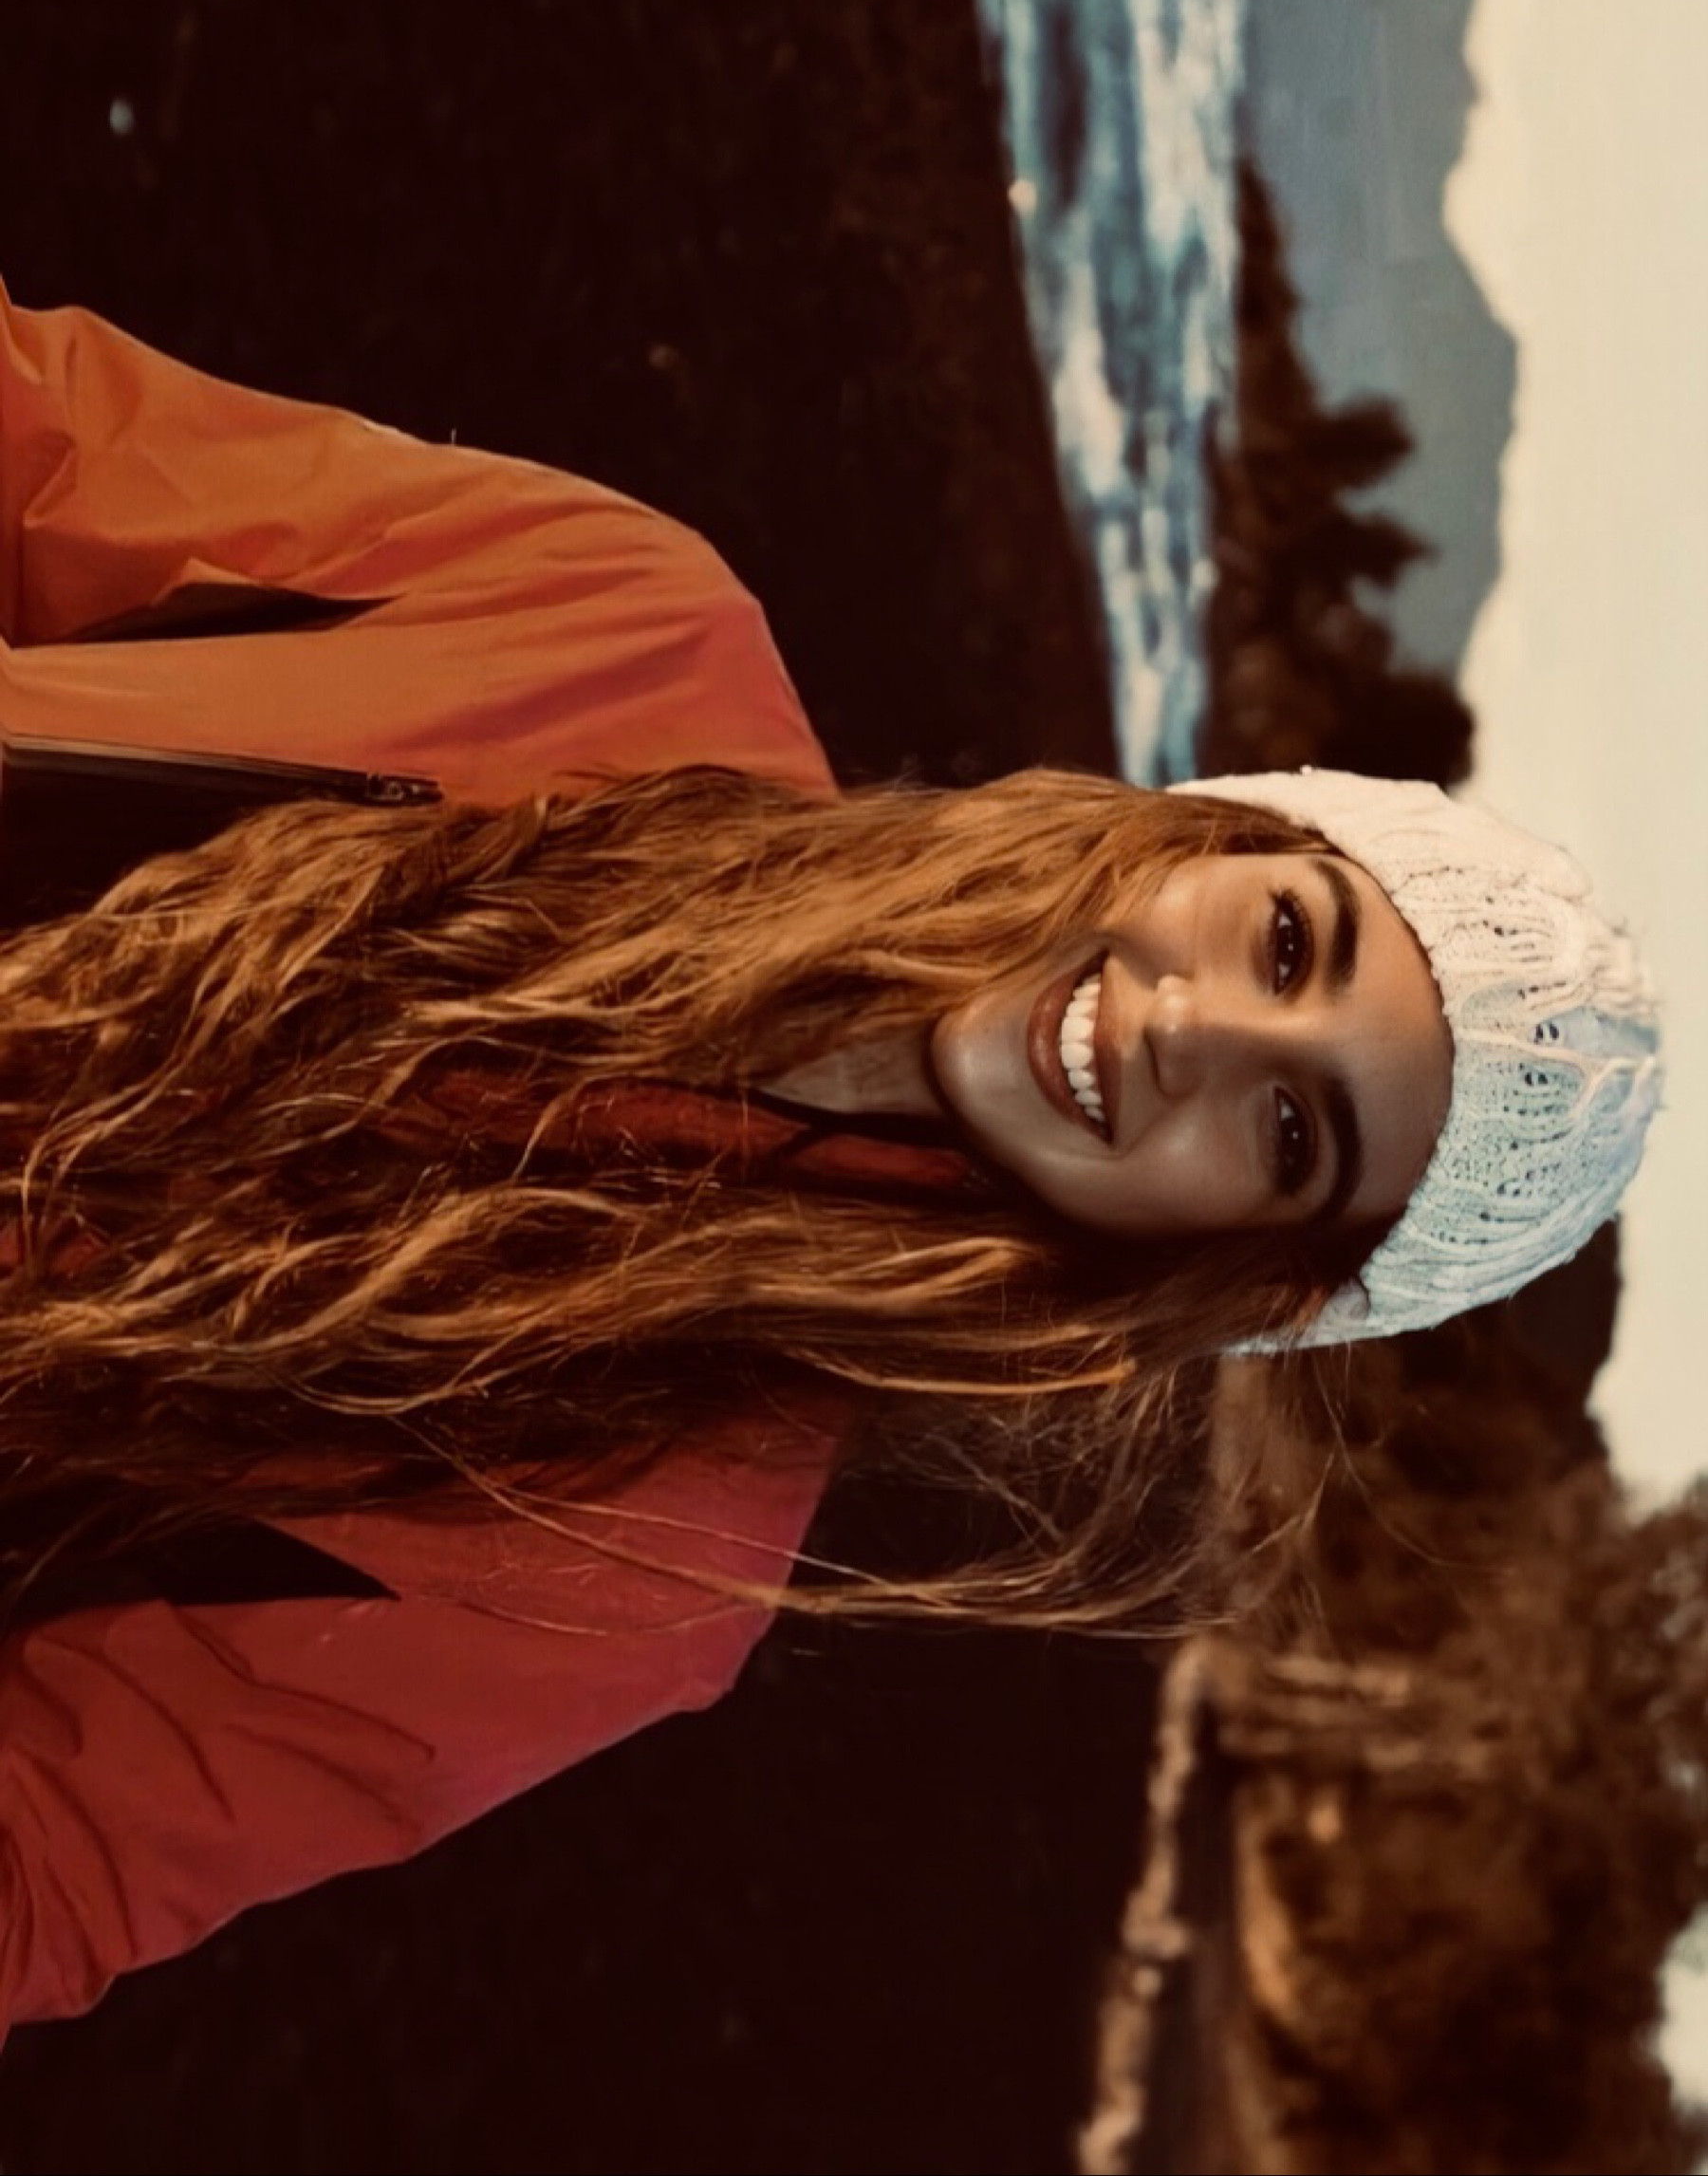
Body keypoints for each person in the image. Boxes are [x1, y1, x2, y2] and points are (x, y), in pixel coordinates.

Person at [0, 286, 1661, 2034]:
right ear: (1204, 835)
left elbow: (50, 1862)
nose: (1202, 1034)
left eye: (1293, 1131)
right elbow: (56, 439)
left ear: (1232, 1269)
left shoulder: (643, 1573)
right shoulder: (627, 622)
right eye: (1288, 940)